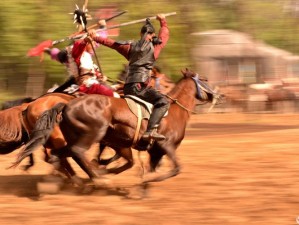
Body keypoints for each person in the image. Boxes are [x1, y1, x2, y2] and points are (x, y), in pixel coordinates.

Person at [88, 14, 170, 141]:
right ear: (152, 35)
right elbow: (164, 36)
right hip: (140, 88)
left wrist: (95, 37)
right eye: (153, 36)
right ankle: (150, 131)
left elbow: (111, 43)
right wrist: (163, 21)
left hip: (127, 88)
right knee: (163, 102)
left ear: (140, 33)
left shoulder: (129, 46)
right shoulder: (155, 48)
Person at [44, 20, 116, 97]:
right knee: (113, 95)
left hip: (85, 81)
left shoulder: (86, 55)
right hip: (84, 84)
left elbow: (98, 39)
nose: (94, 45)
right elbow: (79, 45)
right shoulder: (78, 54)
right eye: (91, 43)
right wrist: (101, 28)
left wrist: (101, 78)